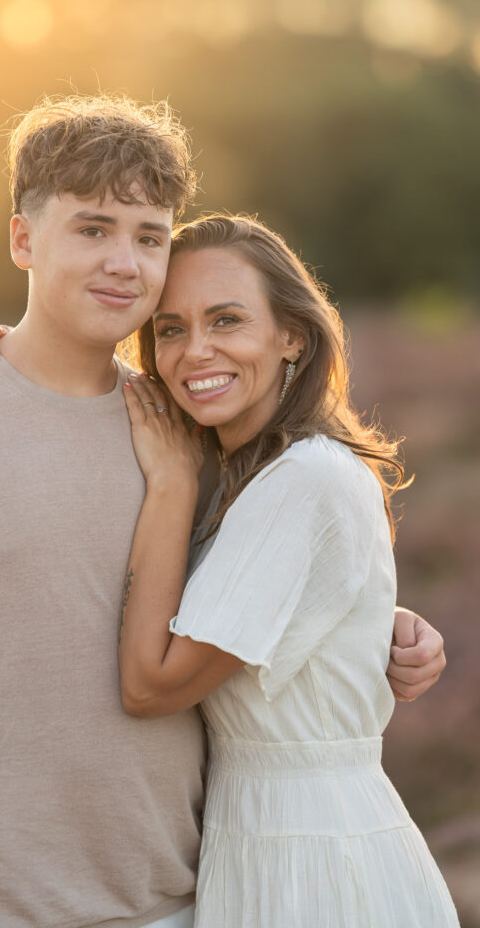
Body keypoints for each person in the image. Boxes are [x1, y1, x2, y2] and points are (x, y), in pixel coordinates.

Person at [0, 93, 445, 928]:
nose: (124, 261)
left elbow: (258, 580)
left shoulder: (187, 429)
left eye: (149, 236)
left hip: (179, 902)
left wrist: (379, 621)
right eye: (92, 227)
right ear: (23, 239)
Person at [115, 213, 460, 926]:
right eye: (170, 328)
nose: (193, 351)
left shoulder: (302, 482)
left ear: (291, 337)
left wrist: (172, 487)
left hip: (313, 859)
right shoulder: (244, 476)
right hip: (261, 840)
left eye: (227, 320)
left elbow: (151, 687)